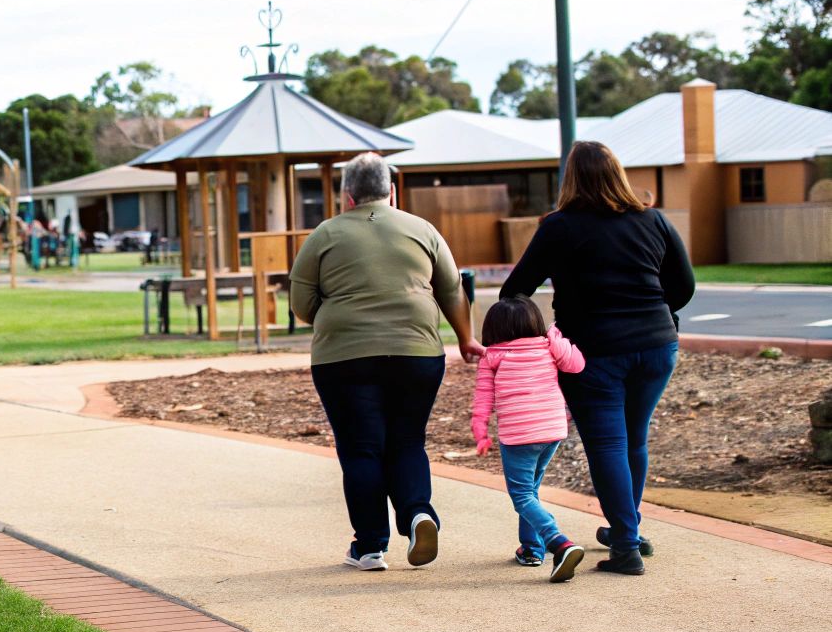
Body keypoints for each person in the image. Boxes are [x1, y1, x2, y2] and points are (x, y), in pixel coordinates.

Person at [501, 140, 694, 576]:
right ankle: (628, 528)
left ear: (571, 178)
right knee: (634, 438)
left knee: (608, 444)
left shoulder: (558, 227)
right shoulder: (653, 221)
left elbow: (513, 292)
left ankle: (625, 546)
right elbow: (683, 288)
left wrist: (542, 336)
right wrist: (655, 312)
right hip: (656, 347)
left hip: (593, 355)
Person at [290, 152, 486, 572]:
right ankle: (418, 515)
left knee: (361, 449)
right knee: (407, 440)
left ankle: (370, 546)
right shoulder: (422, 229)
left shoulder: (324, 235)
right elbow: (452, 289)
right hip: (416, 353)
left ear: (346, 197)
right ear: (392, 191)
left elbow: (302, 305)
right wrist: (466, 339)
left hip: (344, 358)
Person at [470, 296, 588, 582]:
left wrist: (481, 432)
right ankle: (531, 548)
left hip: (519, 436)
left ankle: (558, 542)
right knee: (530, 491)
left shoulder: (493, 356)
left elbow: (483, 397)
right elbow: (577, 364)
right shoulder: (549, 348)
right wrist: (556, 337)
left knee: (522, 496)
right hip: (551, 432)